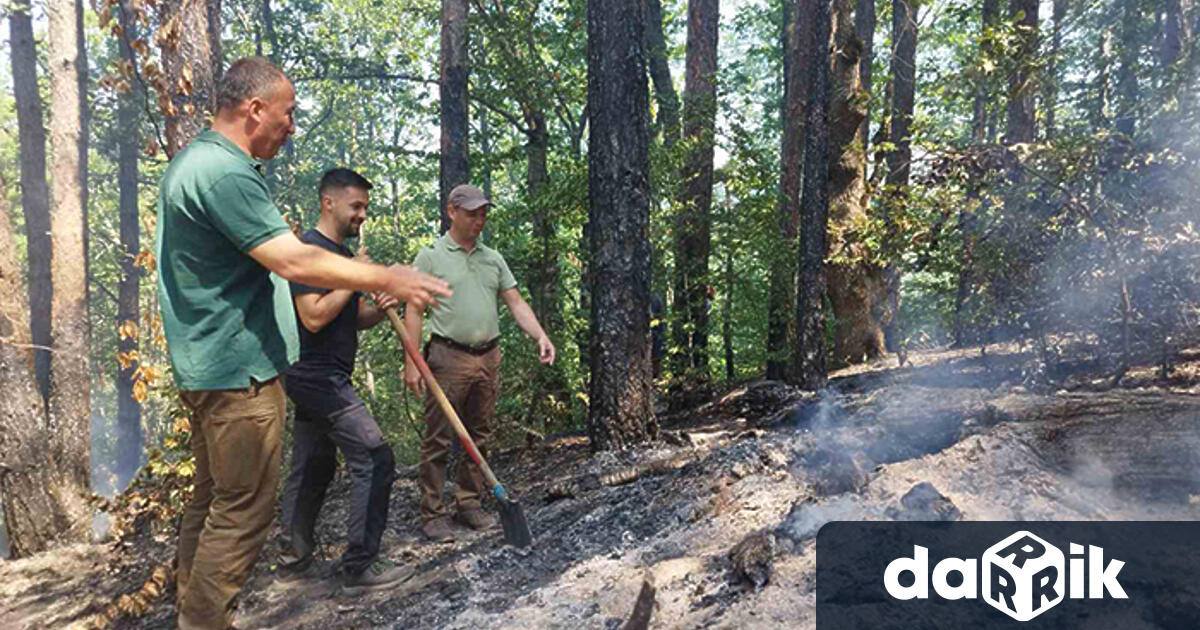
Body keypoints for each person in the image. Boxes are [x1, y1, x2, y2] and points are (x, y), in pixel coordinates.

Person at [157, 57, 449, 630]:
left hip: (211, 365)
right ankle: (204, 620)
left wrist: (369, 293)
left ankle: (193, 610)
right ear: (254, 108)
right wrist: (385, 275)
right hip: (236, 369)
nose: (292, 126)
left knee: (215, 500)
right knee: (242, 511)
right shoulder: (222, 172)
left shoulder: (196, 163)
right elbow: (291, 260)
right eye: (287, 114)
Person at [274, 168, 409, 593]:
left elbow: (350, 320)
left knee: (314, 466)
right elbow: (313, 317)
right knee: (376, 457)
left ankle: (292, 566)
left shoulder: (338, 255)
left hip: (326, 374)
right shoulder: (307, 252)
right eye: (356, 206)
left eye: (365, 207)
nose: (362, 215)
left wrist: (385, 306)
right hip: (315, 377)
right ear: (328, 202)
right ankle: (358, 568)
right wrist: (353, 278)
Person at [404, 184, 555, 542]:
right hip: (447, 357)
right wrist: (411, 360)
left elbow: (515, 303)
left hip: (488, 356)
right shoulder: (431, 257)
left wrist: (540, 335)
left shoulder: (493, 258)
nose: (479, 220)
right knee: (439, 438)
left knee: (479, 434)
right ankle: (433, 513)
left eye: (483, 213)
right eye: (472, 213)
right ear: (451, 212)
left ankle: (469, 503)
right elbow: (413, 308)